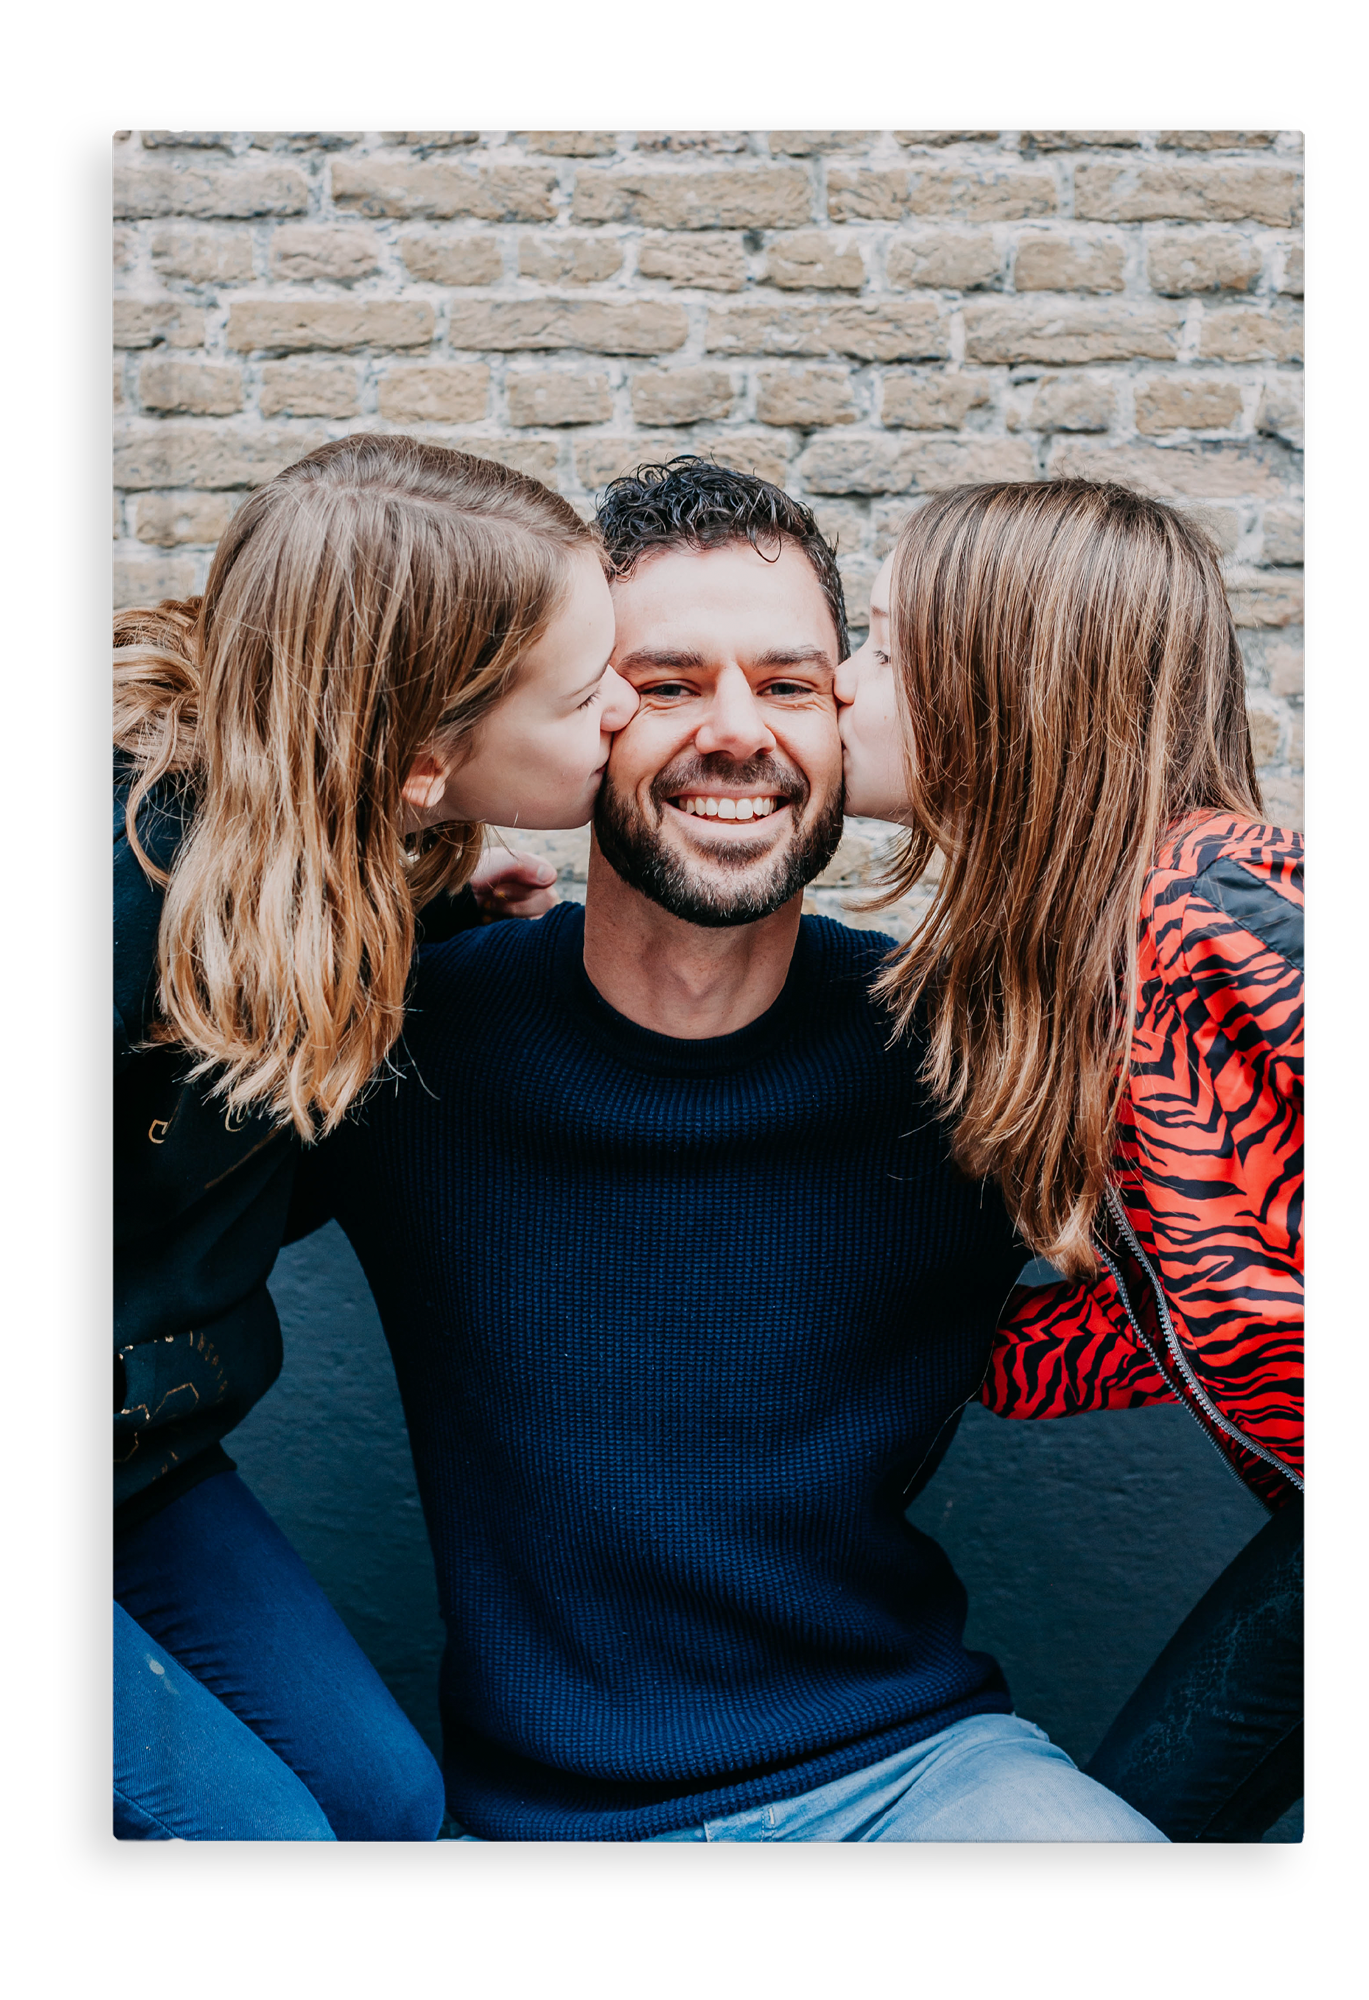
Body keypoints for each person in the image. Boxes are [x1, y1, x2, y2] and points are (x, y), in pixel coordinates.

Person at [295, 458, 1167, 1843]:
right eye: (667, 683)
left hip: (914, 1776)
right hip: (533, 1822)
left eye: (792, 683)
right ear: (578, 720)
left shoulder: (980, 1057)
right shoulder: (403, 1042)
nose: (739, 731)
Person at [111, 433, 637, 1840]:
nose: (625, 709)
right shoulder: (131, 880)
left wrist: (431, 933)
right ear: (418, 761)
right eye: (585, 691)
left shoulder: (334, 867)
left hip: (146, 1457)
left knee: (388, 1803)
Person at [833, 477, 1303, 1841]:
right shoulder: (1078, 977)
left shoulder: (1223, 897)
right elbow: (1180, 1305)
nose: (846, 685)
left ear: (1003, 690)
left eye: (885, 649)